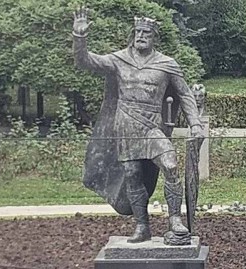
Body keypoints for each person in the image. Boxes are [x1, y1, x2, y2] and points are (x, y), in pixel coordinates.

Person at [73, 10, 204, 244]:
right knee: (133, 176)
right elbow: (86, 62)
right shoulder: (119, 59)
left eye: (147, 33)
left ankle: (174, 219)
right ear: (133, 34)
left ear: (155, 37)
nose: (141, 36)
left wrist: (195, 123)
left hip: (152, 127)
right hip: (125, 126)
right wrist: (79, 38)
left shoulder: (166, 64)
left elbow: (185, 95)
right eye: (138, 32)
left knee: (170, 164)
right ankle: (142, 226)